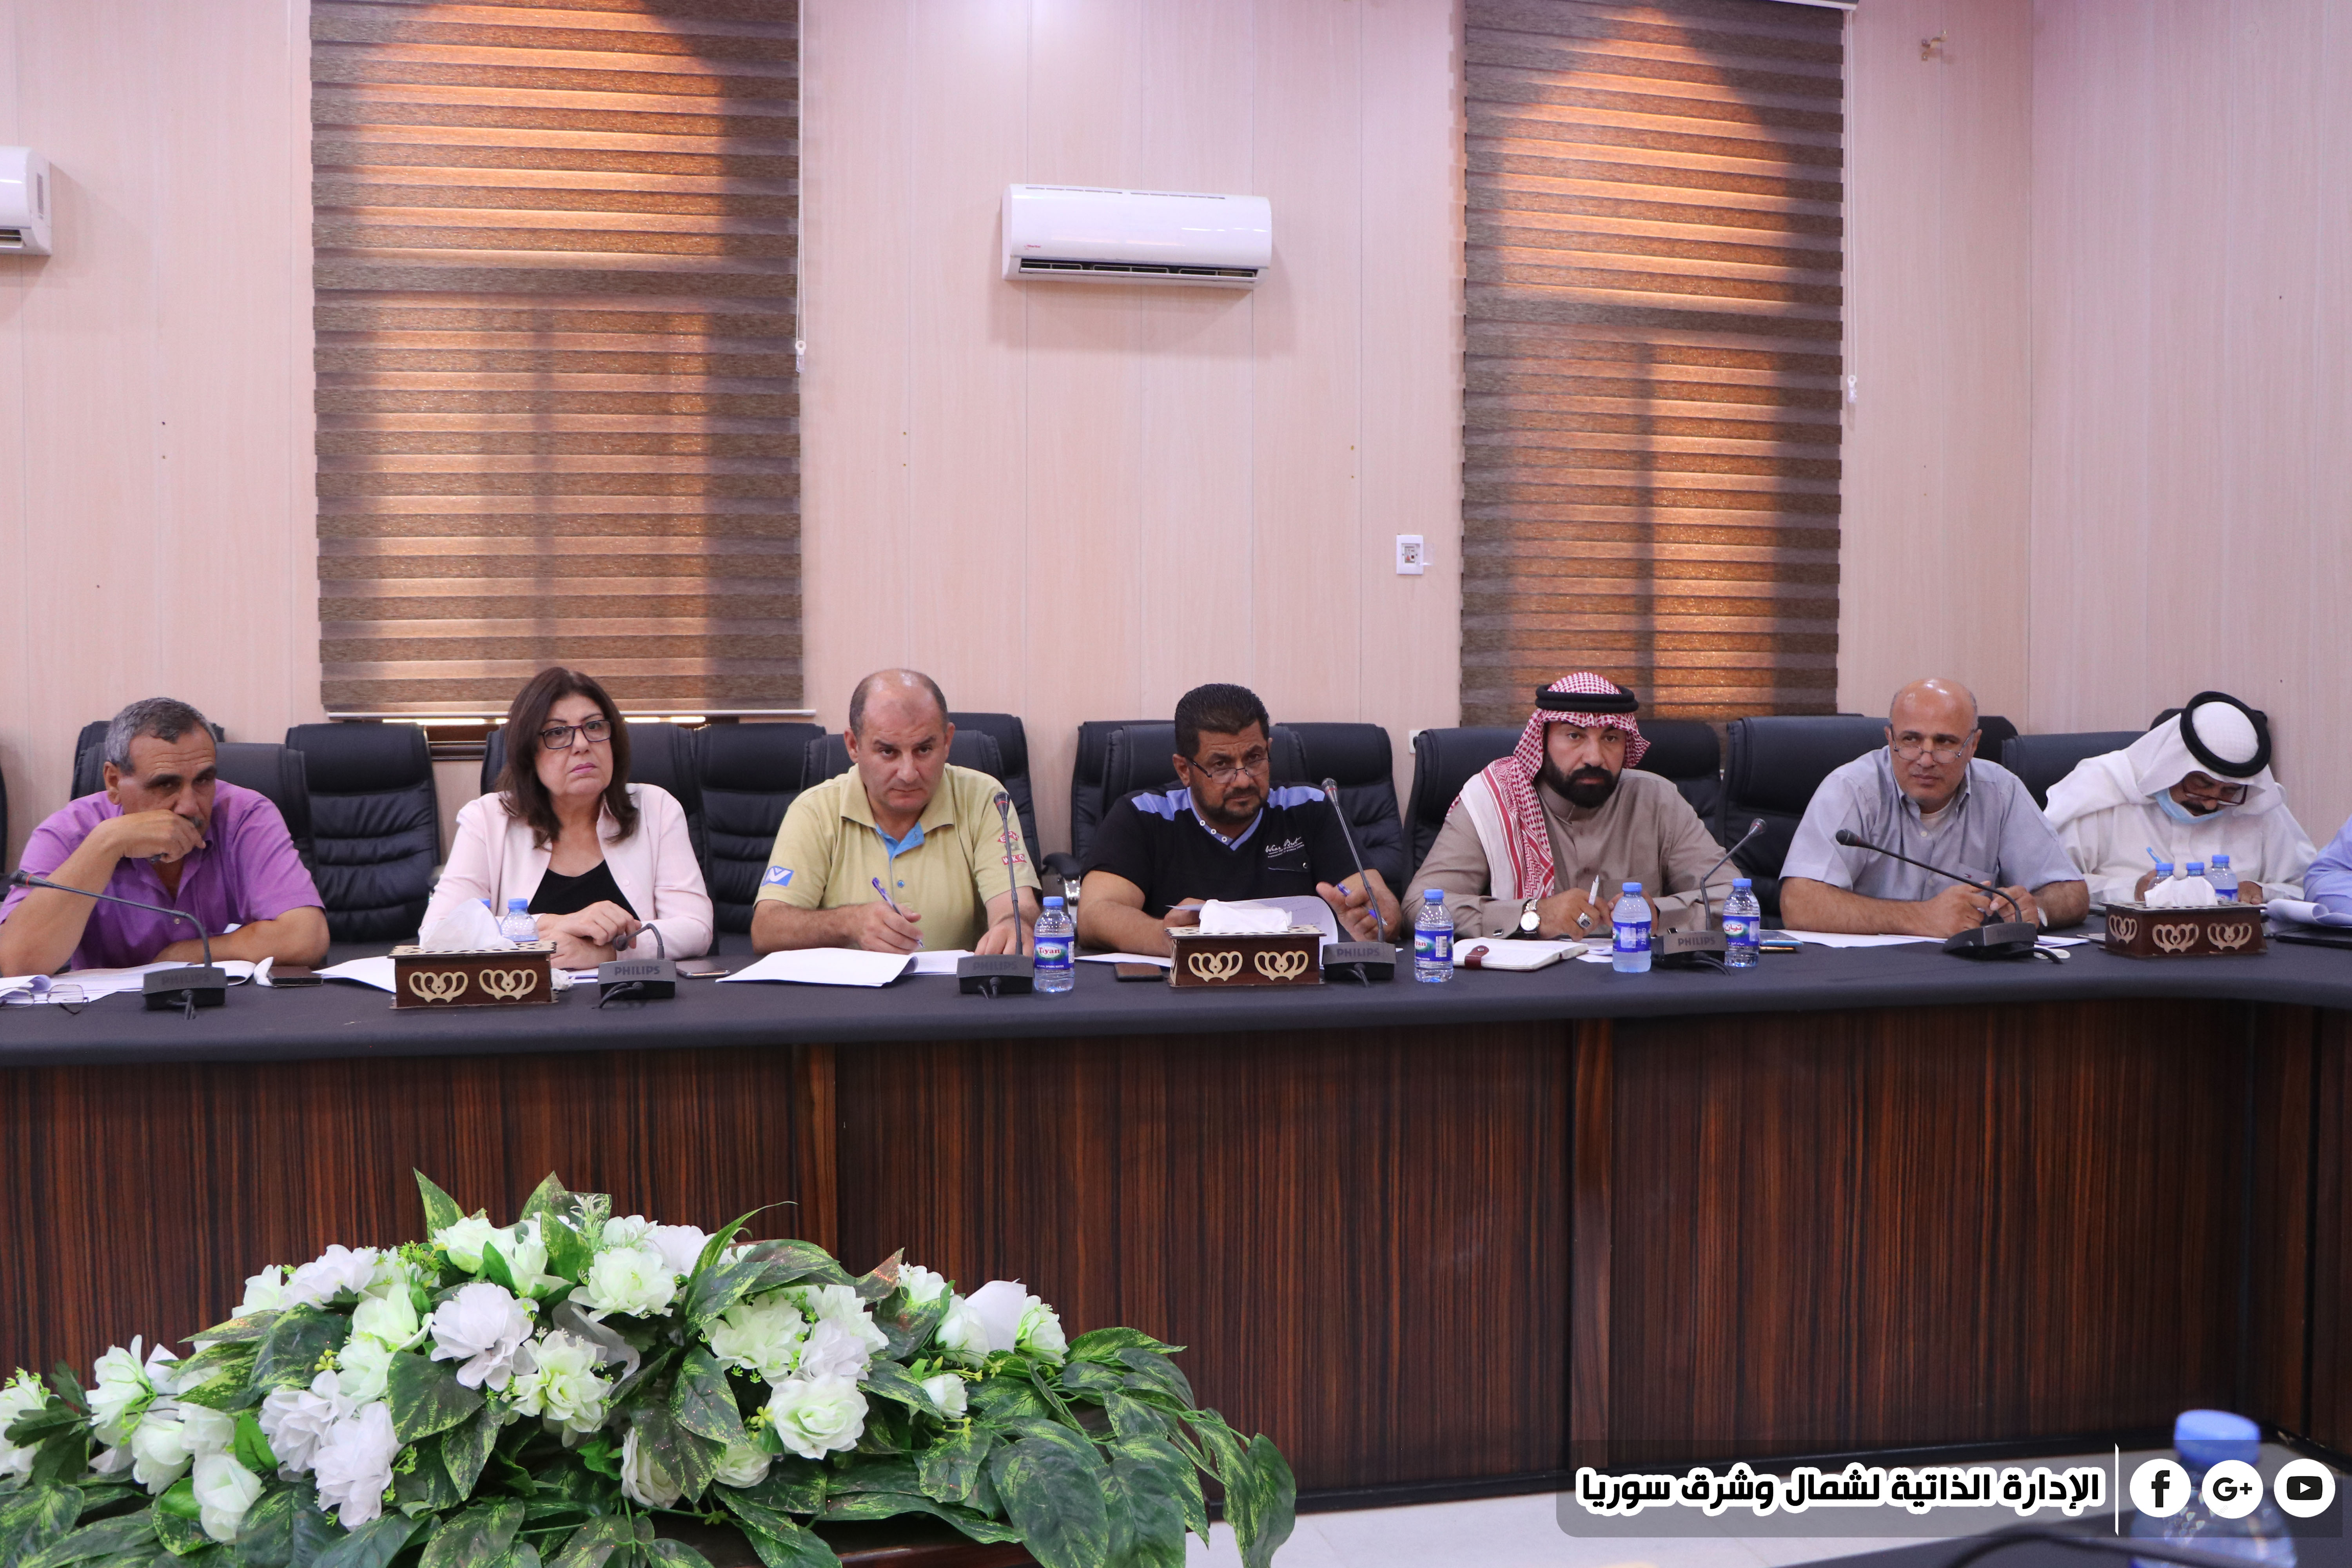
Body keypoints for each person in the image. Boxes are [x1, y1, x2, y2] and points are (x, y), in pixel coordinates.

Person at [0, 698, 327, 974]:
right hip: (108, 1021)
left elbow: (306, 939)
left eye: (203, 781)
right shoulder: (68, 832)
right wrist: (106, 844)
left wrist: (185, 955)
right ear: (114, 782)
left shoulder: (244, 815)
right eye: (165, 784)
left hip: (226, 1013)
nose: (189, 806)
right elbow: (16, 963)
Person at [1077, 683, 1399, 958]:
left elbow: (1376, 901)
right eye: (1221, 765)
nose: (1244, 780)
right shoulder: (1143, 814)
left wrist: (1377, 918)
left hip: (1293, 989)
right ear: (1184, 770)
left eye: (1255, 759)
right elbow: (1095, 915)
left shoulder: (1310, 805)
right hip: (1179, 994)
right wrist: (1168, 939)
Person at [1406, 673, 1736, 938]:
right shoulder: (1494, 801)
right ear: (1542, 741)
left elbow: (1734, 899)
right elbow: (1419, 907)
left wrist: (1661, 914)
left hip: (1634, 982)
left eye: (1611, 738)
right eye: (1575, 736)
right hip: (1528, 992)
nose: (1595, 758)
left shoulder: (1658, 800)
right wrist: (1533, 915)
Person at [423, 668, 712, 967]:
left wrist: (610, 953)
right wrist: (554, 924)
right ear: (529, 753)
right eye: (557, 732)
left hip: (631, 993)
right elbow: (438, 933)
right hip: (526, 995)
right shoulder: (487, 819)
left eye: (594, 726)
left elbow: (696, 929)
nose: (582, 744)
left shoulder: (655, 808)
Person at [753, 669, 1038, 955]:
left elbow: (1017, 907)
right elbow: (767, 929)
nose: (908, 774)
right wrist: (849, 923)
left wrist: (1015, 925)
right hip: (853, 984)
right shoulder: (815, 811)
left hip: (956, 983)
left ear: (947, 742)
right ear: (853, 746)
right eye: (888, 752)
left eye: (924, 750)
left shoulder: (985, 799)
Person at [1780, 678, 2088, 936]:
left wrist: (2037, 909)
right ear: (1890, 738)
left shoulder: (2000, 790)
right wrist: (1921, 917)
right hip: (1865, 976)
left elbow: (2072, 892)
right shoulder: (1852, 788)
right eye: (1911, 740)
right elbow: (1799, 904)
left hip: (1970, 975)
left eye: (1945, 743)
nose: (1926, 760)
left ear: (1973, 745)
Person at [2043, 691, 2315, 905]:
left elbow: (2310, 888)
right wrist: (2129, 890)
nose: (2211, 803)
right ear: (2171, 767)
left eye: (2228, 791)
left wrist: (2262, 891)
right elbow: (2048, 886)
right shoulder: (2102, 790)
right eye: (2202, 784)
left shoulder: (2257, 804)